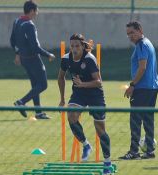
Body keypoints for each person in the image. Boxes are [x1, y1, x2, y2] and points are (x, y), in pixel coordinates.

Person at [58, 34, 111, 174]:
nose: (74, 49)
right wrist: (62, 99)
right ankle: (86, 145)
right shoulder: (65, 59)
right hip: (79, 94)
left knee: (100, 129)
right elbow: (60, 78)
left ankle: (107, 163)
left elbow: (98, 81)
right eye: (72, 46)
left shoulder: (89, 59)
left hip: (95, 94)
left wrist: (82, 84)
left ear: (82, 46)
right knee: (71, 116)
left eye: (77, 46)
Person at [119, 21, 158, 159]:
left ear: (140, 30)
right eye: (128, 34)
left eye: (132, 32)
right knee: (148, 119)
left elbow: (142, 67)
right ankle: (149, 151)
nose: (130, 36)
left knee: (135, 120)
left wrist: (132, 85)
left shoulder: (142, 44)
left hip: (142, 88)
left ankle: (134, 152)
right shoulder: (148, 43)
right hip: (152, 87)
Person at [10, 0, 55, 119]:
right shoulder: (29, 25)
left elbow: (12, 40)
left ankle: (38, 112)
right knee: (43, 85)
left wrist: (17, 53)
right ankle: (21, 102)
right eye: (36, 10)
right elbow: (35, 47)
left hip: (25, 60)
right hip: (33, 59)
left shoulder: (17, 21)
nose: (37, 13)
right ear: (31, 11)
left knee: (35, 85)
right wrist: (48, 54)